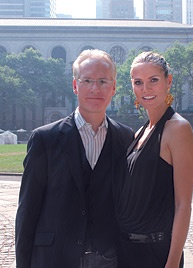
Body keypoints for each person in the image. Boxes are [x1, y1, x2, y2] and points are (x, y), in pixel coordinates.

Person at [15, 49, 134, 268]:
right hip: (56, 258)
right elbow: (27, 210)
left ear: (114, 87)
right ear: (75, 85)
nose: (95, 88)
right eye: (87, 80)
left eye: (103, 81)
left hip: (112, 260)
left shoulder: (127, 139)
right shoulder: (45, 139)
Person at [115, 51, 193, 268]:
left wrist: (171, 264)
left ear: (168, 82)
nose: (146, 89)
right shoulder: (140, 132)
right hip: (126, 252)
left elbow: (183, 205)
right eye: (138, 82)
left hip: (155, 254)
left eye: (153, 80)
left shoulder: (177, 129)